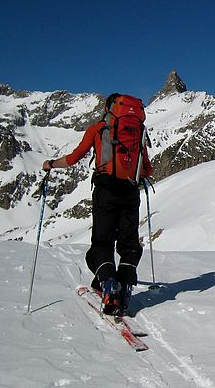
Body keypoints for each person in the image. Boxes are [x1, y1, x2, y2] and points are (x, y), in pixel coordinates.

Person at [43, 93, 152, 315]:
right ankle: (125, 286)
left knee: (102, 242)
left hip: (105, 191)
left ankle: (109, 284)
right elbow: (147, 169)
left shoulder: (97, 129)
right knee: (129, 243)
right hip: (130, 192)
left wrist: (51, 164)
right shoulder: (138, 131)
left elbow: (74, 158)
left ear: (107, 107)